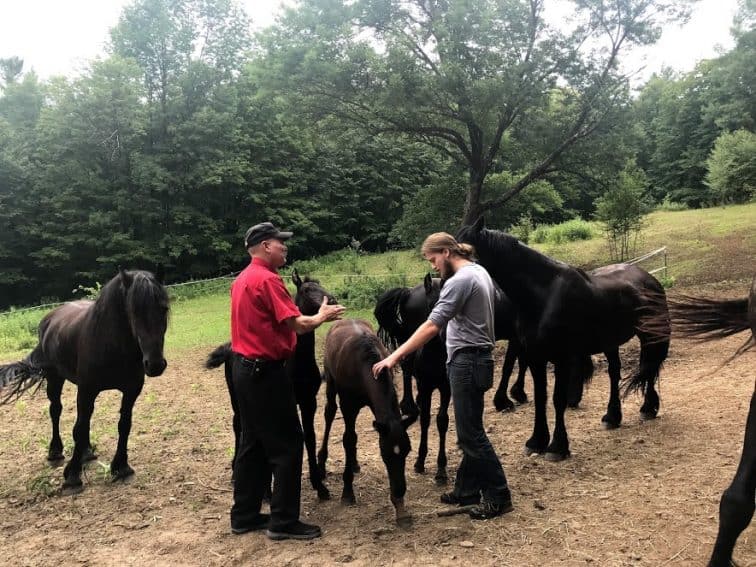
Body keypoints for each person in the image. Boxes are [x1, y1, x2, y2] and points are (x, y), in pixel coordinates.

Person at [372, 232, 513, 520]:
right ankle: (466, 489)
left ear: (446, 252)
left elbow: (432, 325)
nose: (433, 266)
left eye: (433, 259)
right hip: (478, 358)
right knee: (470, 428)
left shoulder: (460, 280)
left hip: (467, 361)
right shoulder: (479, 271)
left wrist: (395, 355)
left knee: (471, 434)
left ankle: (499, 495)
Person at [229, 221, 345, 540]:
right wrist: (321, 317)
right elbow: (298, 324)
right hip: (266, 372)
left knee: (252, 443)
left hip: (243, 369)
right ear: (266, 246)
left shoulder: (242, 279)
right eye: (281, 242)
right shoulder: (268, 280)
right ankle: (283, 521)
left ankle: (245, 515)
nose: (285, 247)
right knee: (288, 444)